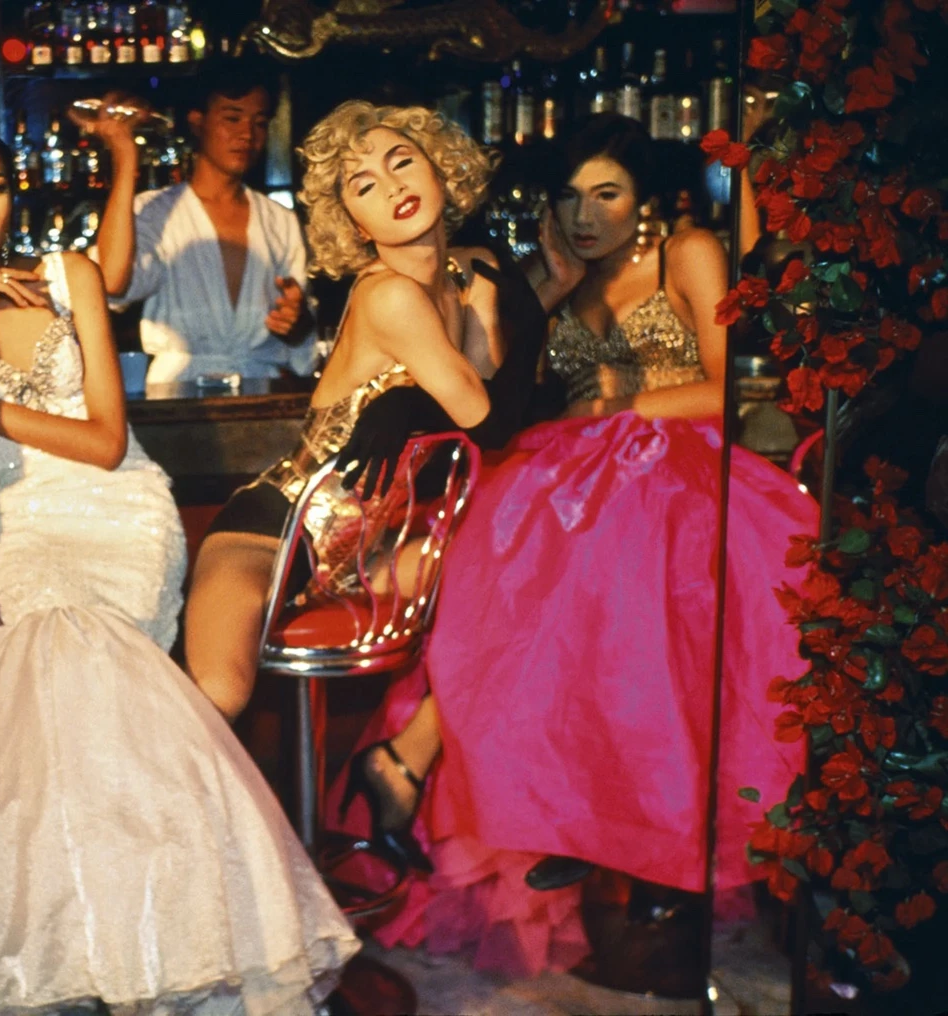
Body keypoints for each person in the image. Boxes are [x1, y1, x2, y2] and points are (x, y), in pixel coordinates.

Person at [0, 118, 360, 1015]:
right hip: (24, 530)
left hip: (124, 517)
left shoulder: (66, 276)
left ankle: (142, 959)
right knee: (50, 693)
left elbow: (103, 439)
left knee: (76, 675)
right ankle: (67, 960)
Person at [324, 114, 818, 975]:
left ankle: (463, 772)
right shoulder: (554, 276)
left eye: (606, 194)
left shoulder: (687, 253)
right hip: (574, 464)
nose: (585, 214)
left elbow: (721, 389)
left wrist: (611, 414)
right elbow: (500, 387)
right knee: (514, 569)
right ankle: (571, 814)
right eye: (567, 196)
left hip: (671, 460)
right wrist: (543, 291)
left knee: (615, 583)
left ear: (647, 200)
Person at [186, 100, 581, 727]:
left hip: (374, 550)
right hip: (277, 530)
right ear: (357, 225)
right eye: (364, 185)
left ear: (442, 172)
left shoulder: (462, 273)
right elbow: (489, 418)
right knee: (215, 697)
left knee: (535, 574)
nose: (393, 186)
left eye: (402, 162)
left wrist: (535, 292)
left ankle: (407, 769)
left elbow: (490, 404)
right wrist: (416, 393)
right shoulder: (389, 295)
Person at [97, 63, 315, 383]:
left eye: (259, 122)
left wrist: (297, 324)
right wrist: (125, 157)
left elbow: (303, 337)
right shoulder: (155, 211)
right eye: (232, 118)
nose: (247, 134)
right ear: (198, 122)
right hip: (177, 395)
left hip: (261, 393)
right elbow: (112, 284)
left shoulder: (279, 221)